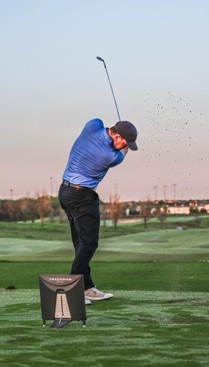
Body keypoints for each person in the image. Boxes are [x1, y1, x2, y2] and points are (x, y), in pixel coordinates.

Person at [59, 118, 138, 305]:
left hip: (65, 192)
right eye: (125, 141)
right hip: (82, 197)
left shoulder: (92, 127)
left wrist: (119, 128)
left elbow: (97, 121)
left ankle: (87, 288)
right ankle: (72, 290)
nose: (125, 146)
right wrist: (122, 145)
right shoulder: (110, 157)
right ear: (117, 135)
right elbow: (123, 153)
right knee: (89, 244)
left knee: (80, 244)